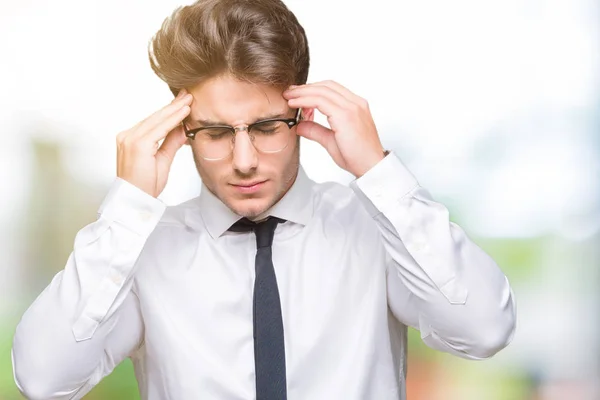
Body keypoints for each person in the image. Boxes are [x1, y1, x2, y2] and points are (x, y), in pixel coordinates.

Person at [11, 0, 516, 399]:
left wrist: (379, 170)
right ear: (179, 130)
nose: (245, 159)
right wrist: (126, 208)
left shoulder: (374, 228)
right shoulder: (141, 250)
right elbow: (44, 379)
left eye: (267, 126)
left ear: (301, 116)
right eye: (214, 133)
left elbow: (483, 330)